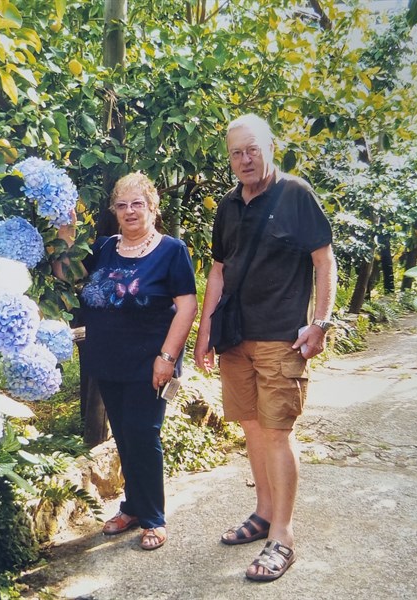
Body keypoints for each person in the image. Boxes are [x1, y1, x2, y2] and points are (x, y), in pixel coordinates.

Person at [194, 114, 337, 581]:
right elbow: (218, 271)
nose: (245, 159)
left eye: (252, 149)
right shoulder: (228, 206)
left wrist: (319, 322)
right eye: (236, 152)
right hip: (236, 338)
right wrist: (205, 333)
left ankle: (283, 535)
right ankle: (261, 514)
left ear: (269, 146)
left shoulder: (295, 194)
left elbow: (324, 260)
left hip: (282, 338)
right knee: (252, 428)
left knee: (277, 432)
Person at [78, 172, 197, 550]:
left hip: (150, 361)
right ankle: (131, 507)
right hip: (108, 359)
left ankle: (153, 517)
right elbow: (67, 274)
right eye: (122, 205)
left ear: (153, 208)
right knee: (126, 436)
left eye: (138, 204)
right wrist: (65, 226)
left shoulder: (171, 251)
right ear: (114, 210)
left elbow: (187, 306)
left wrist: (167, 357)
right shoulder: (102, 248)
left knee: (144, 436)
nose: (130, 211)